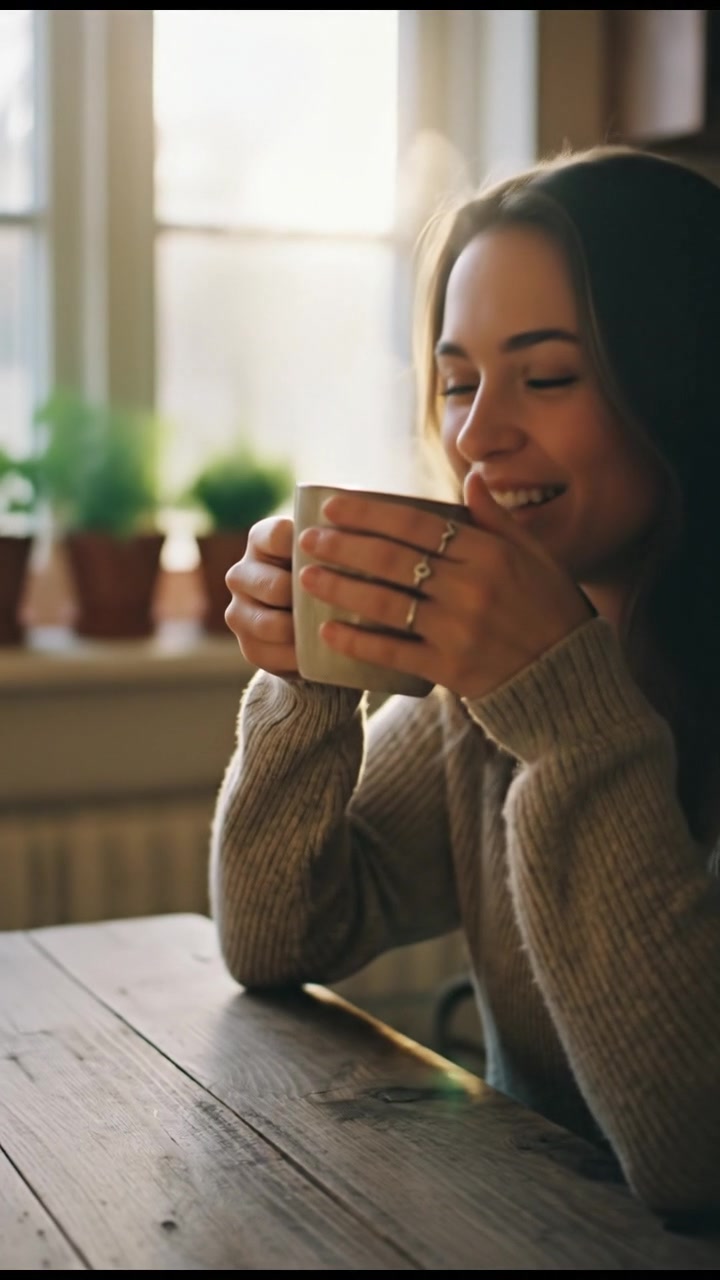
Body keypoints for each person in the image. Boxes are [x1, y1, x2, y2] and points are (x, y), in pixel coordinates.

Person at [210, 143, 720, 1218]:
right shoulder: (486, 705)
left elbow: (701, 1160)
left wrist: (571, 722)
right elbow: (277, 937)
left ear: (685, 377)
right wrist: (311, 675)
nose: (479, 434)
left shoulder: (536, 689)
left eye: (546, 376)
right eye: (456, 383)